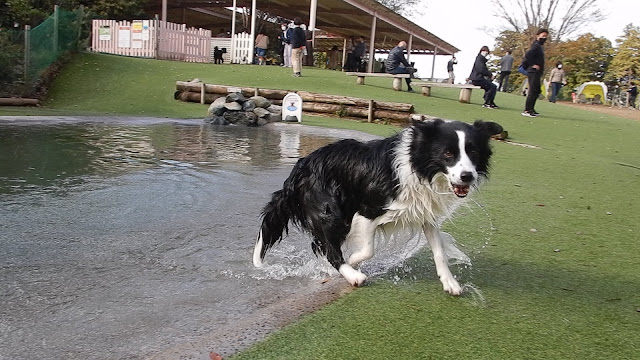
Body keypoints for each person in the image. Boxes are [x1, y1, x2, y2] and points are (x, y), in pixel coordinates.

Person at [521, 29, 549, 117]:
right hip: (533, 71)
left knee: (537, 90)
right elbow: (528, 55)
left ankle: (531, 108)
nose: (544, 38)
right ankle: (527, 110)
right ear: (538, 36)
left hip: (536, 72)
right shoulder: (536, 46)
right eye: (543, 36)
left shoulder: (539, 46)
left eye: (546, 36)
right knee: (533, 90)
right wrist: (533, 64)